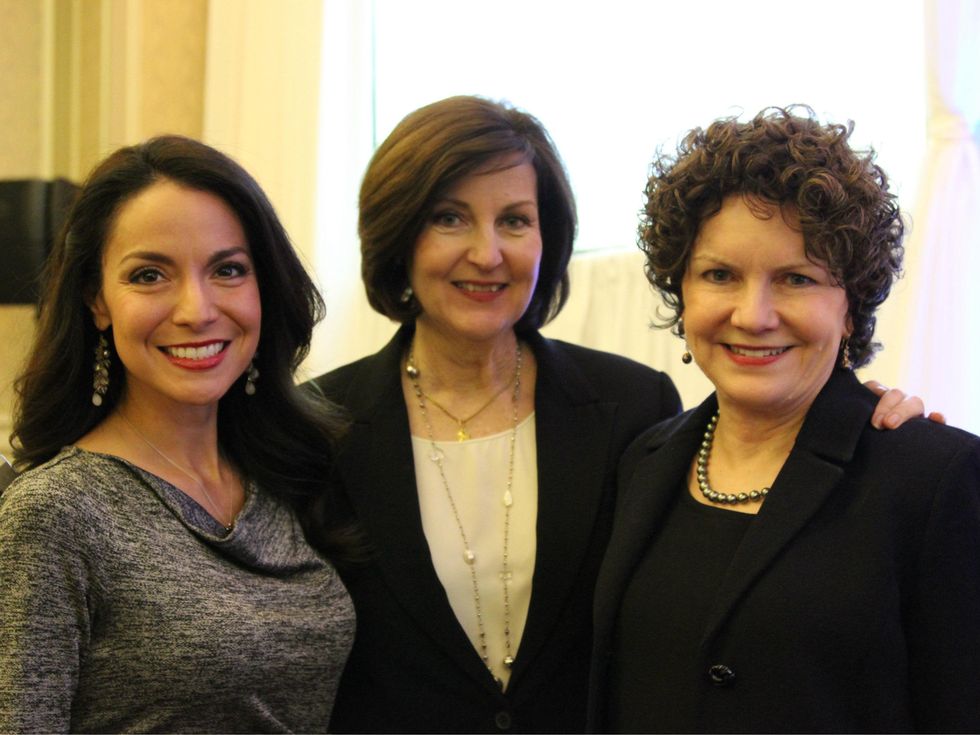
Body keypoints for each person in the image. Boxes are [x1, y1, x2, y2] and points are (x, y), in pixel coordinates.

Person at [310, 96, 930, 733]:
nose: (488, 252)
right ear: (397, 235)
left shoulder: (631, 407)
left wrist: (861, 412)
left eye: (516, 221)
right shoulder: (315, 428)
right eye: (449, 218)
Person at [589, 106, 980, 733]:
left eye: (796, 279)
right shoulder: (644, 460)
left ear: (851, 307)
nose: (753, 314)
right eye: (720, 275)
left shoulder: (936, 479)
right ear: (681, 291)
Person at [0, 136, 355, 733]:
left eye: (228, 270)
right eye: (149, 274)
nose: (196, 308)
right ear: (97, 302)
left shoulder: (287, 477)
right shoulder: (54, 514)